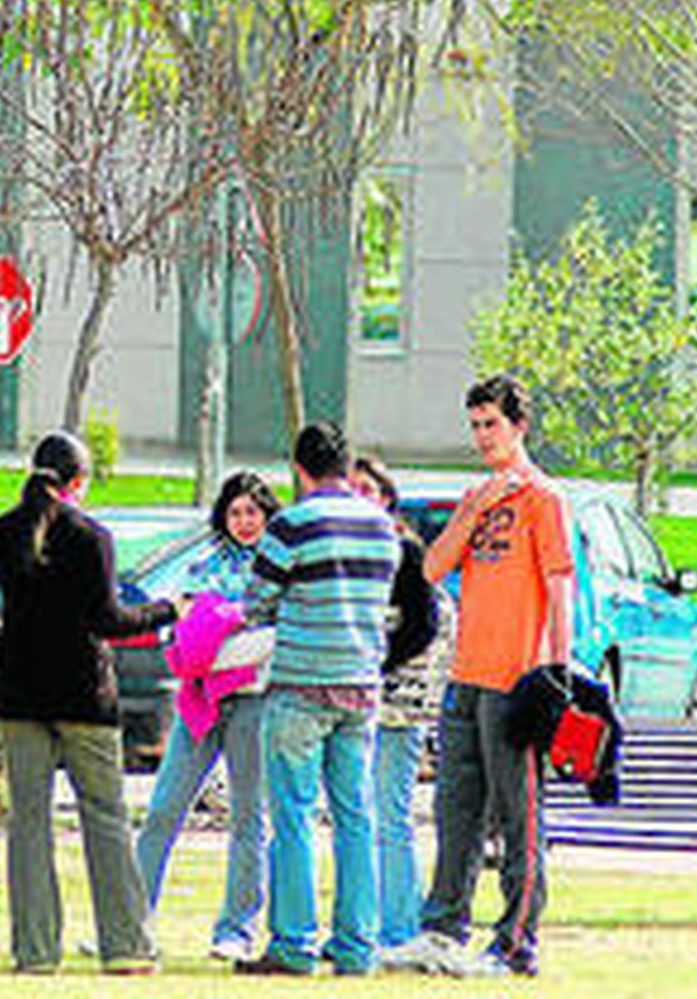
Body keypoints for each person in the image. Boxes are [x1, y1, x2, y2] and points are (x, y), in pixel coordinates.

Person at [0, 430, 177, 975]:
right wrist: (167, 610)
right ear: (78, 482)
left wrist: (12, 641)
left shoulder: (2, 531)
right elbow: (109, 619)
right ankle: (125, 946)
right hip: (84, 695)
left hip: (19, 695)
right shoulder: (89, 536)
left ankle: (35, 952)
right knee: (105, 817)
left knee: (28, 824)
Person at [388, 374, 574, 980]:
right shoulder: (478, 496)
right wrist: (472, 508)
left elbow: (559, 584)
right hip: (465, 675)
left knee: (517, 817)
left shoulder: (544, 498)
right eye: (474, 425)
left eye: (491, 424)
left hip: (516, 677)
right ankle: (443, 930)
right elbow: (433, 568)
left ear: (519, 426)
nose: (482, 436)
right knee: (455, 811)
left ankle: (516, 942)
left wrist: (558, 672)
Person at [235, 421, 399, 978]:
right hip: (362, 686)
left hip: (301, 687)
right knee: (357, 816)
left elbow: (256, 602)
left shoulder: (292, 524)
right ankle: (358, 947)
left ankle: (294, 944)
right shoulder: (383, 526)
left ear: (300, 469)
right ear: (346, 466)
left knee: (295, 818)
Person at [135, 470, 279, 962]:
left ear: (267, 515)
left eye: (252, 513)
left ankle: (237, 928)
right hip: (200, 701)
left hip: (254, 701)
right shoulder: (202, 563)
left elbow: (275, 627)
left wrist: (227, 633)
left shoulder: (279, 564)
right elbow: (183, 624)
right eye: (235, 512)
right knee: (162, 810)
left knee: (248, 818)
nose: (243, 521)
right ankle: (131, 919)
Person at [351, 454, 456, 954]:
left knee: (389, 814)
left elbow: (423, 626)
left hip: (398, 704)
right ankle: (366, 924)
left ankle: (399, 928)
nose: (358, 497)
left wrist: (376, 662)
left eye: (367, 490)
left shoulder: (404, 553)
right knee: (361, 813)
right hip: (355, 703)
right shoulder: (346, 551)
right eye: (350, 489)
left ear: (387, 499)